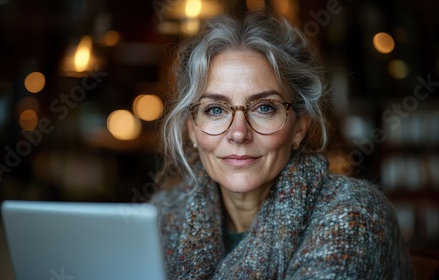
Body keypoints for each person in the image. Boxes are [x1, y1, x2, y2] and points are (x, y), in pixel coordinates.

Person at [150, 12, 415, 279]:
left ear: (300, 126)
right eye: (215, 109)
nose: (239, 133)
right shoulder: (164, 214)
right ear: (192, 129)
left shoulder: (354, 215)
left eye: (264, 108)